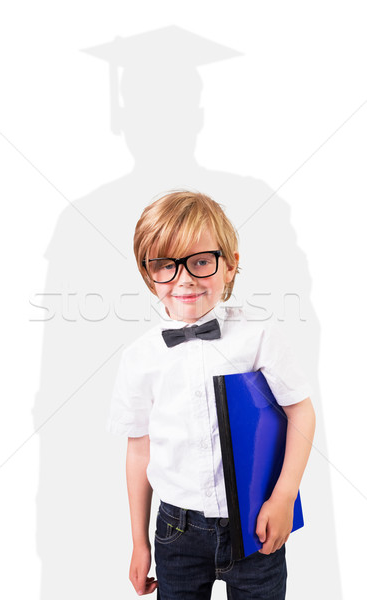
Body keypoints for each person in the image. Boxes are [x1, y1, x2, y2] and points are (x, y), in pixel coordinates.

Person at [107, 190, 316, 599]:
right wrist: (139, 541)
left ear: (230, 264)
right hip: (176, 532)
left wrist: (285, 494)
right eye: (165, 265)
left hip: (256, 521)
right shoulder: (139, 358)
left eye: (200, 261)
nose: (184, 278)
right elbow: (138, 450)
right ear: (148, 274)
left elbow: (301, 412)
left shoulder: (259, 338)